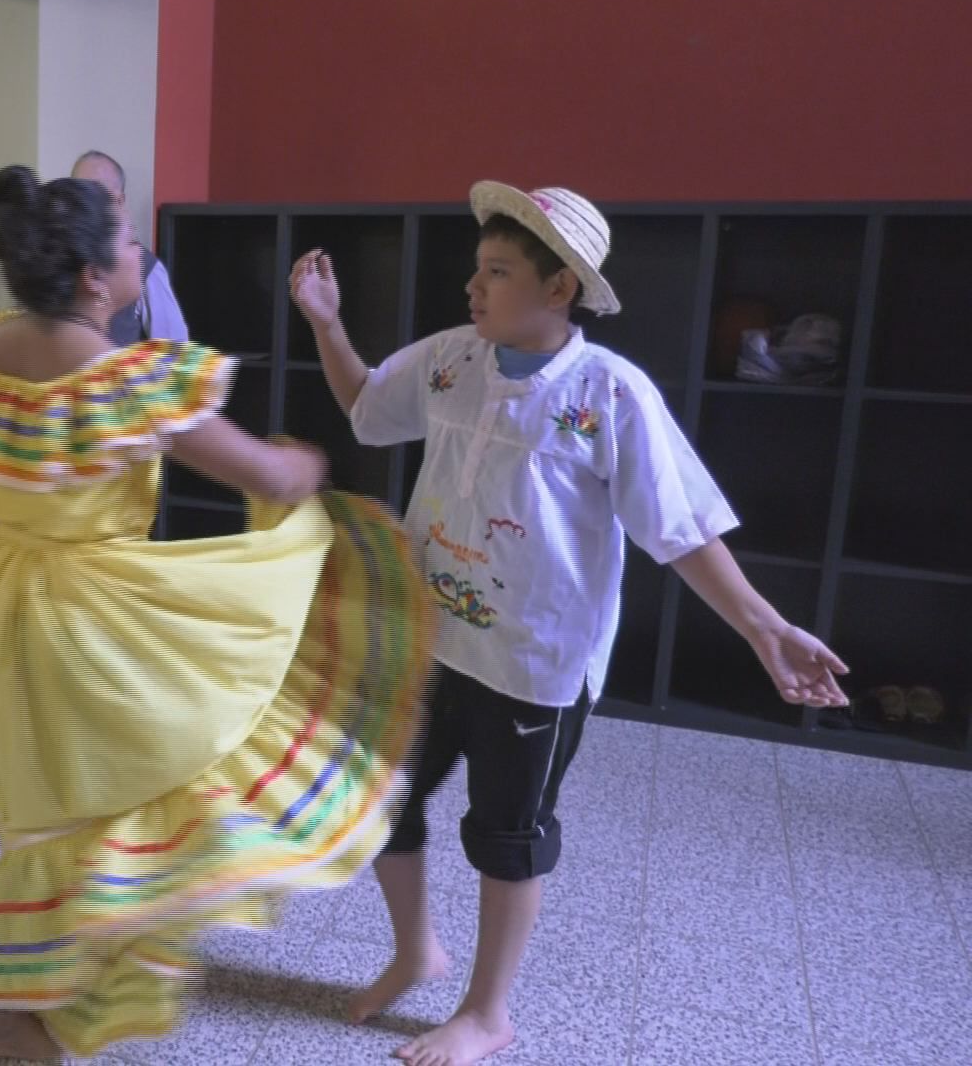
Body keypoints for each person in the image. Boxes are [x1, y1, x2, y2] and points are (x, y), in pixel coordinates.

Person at [0, 166, 436, 1060]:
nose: (137, 252)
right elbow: (262, 476)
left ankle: (43, 983)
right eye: (125, 243)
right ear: (94, 279)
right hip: (91, 621)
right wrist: (301, 468)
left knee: (50, 803)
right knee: (155, 770)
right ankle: (16, 1009)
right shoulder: (121, 380)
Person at [289, 181, 850, 1066]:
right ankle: (415, 954)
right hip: (434, 639)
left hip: (534, 662)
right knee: (383, 801)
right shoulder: (451, 359)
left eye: (500, 272)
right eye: (478, 268)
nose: (474, 288)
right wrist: (326, 324)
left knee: (507, 835)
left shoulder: (609, 393)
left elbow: (680, 530)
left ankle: (487, 1011)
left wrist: (763, 626)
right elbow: (366, 404)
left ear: (560, 289)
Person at [70, 150, 189, 344]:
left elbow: (174, 353)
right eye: (77, 191)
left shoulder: (146, 267)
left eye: (94, 193)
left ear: (119, 201)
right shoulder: (54, 259)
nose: (83, 202)